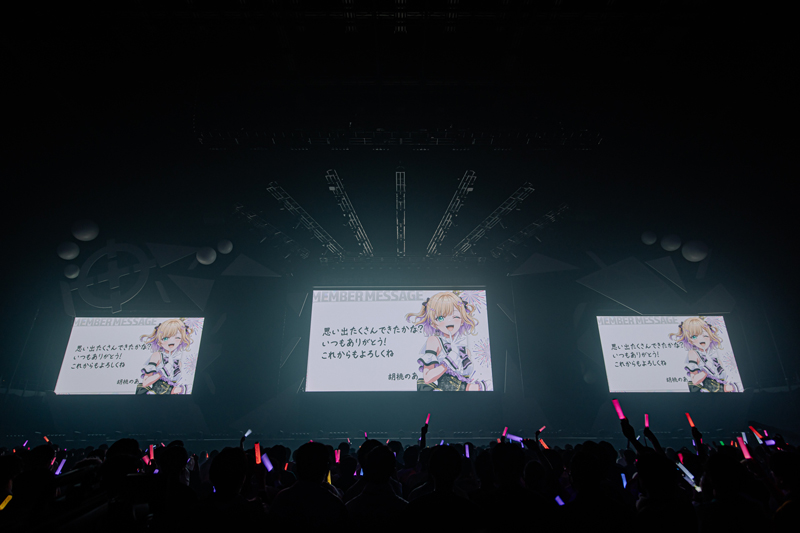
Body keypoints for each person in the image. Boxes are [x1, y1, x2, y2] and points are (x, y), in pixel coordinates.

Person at [405, 291, 487, 391]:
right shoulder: (434, 341)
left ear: (462, 320)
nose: (449, 321)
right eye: (440, 318)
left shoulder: (465, 351)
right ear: (433, 323)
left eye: (455, 316)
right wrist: (447, 362)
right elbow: (427, 378)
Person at [669, 317, 736, 393]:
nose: (701, 339)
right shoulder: (693, 353)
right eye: (694, 336)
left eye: (705, 335)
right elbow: (695, 381)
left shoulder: (716, 360)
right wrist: (706, 370)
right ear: (690, 341)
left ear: (710, 338)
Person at [136, 318, 198, 395]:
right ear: (159, 342)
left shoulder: (178, 362)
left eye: (177, 338)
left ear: (181, 340)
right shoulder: (157, 356)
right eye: (166, 338)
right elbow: (145, 383)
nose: (171, 341)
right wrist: (161, 373)